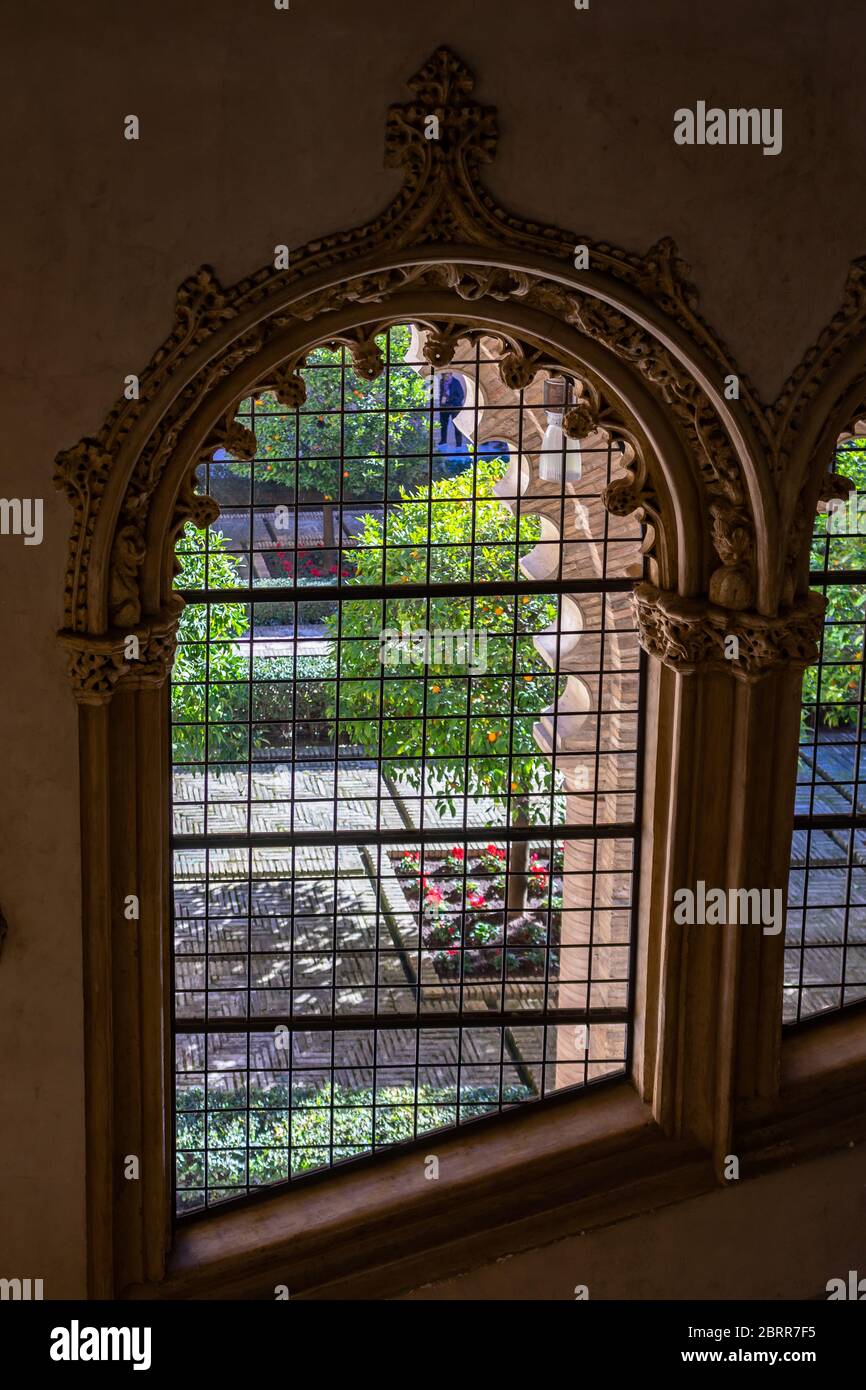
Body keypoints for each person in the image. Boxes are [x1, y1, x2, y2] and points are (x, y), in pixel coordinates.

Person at [438, 371, 465, 445]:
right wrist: (441, 402)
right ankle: (443, 440)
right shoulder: (442, 381)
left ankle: (458, 443)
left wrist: (452, 403)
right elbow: (441, 393)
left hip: (455, 406)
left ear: (451, 375)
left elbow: (461, 395)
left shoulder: (456, 382)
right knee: (443, 425)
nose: (446, 378)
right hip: (444, 406)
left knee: (457, 425)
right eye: (445, 376)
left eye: (448, 376)